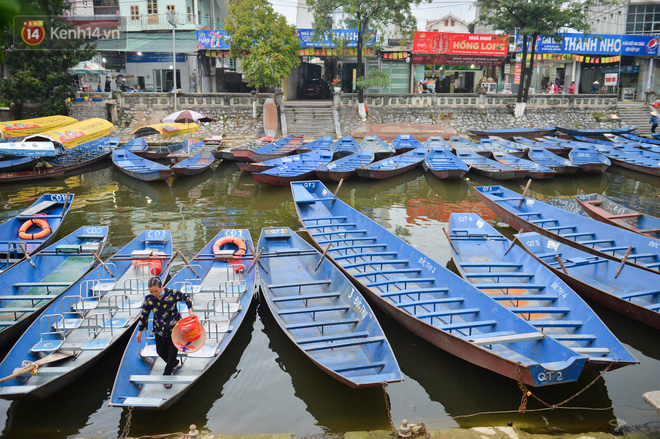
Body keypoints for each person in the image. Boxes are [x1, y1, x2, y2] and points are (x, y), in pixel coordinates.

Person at [137, 277, 194, 388]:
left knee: (172, 353)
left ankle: (166, 376)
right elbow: (144, 315)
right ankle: (175, 364)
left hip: (175, 329)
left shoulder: (172, 294)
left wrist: (190, 310)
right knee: (160, 351)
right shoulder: (149, 299)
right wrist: (140, 331)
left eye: (156, 291)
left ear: (161, 287)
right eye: (151, 291)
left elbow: (187, 297)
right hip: (159, 329)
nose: (154, 294)